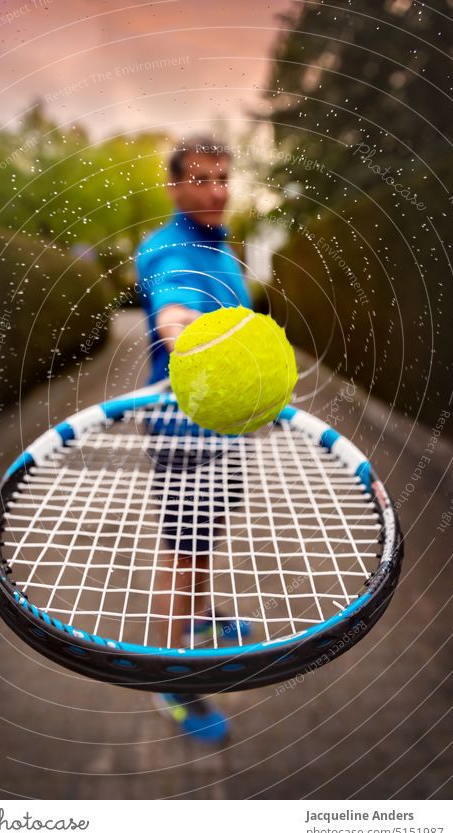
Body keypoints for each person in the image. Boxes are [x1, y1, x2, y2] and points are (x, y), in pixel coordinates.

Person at [135, 137, 251, 744]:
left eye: (223, 177)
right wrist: (183, 333)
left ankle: (202, 619)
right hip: (183, 431)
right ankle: (172, 677)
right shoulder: (170, 249)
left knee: (205, 534)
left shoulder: (224, 250)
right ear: (175, 187)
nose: (215, 191)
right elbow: (173, 310)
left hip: (225, 427)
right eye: (201, 179)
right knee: (182, 552)